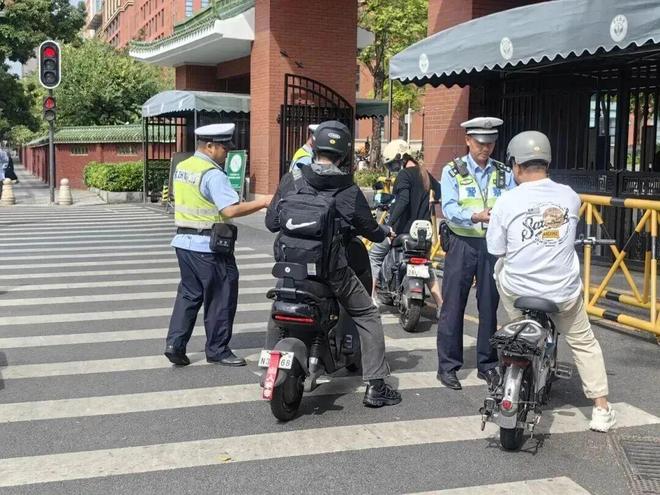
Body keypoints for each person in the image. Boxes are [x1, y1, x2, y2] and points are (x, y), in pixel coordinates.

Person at [487, 130, 616, 432]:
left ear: (516, 164)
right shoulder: (569, 196)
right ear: (547, 162)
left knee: (499, 268)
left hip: (518, 290)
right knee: (583, 341)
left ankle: (518, 326)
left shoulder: (506, 200)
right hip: (561, 293)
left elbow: (496, 248)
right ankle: (601, 409)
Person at [266, 120, 402, 408]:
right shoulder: (347, 189)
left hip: (291, 269)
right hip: (331, 272)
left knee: (279, 307)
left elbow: (271, 222)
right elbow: (369, 229)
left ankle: (269, 365)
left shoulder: (292, 180)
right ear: (343, 154)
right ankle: (376, 385)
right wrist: (384, 233)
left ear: (314, 147)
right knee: (368, 313)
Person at [165, 123, 272, 367]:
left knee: (189, 295)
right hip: (209, 247)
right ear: (210, 146)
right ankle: (218, 350)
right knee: (221, 297)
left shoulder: (184, 167)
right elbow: (229, 209)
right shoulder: (213, 174)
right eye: (224, 148)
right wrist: (264, 201)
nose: (227, 153)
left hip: (183, 243)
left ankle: (175, 345)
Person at [437, 117, 516, 391]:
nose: (485, 148)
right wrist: (475, 215)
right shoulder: (453, 171)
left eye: (490, 143)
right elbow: (448, 207)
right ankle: (448, 366)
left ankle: (487, 363)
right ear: (468, 140)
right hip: (462, 243)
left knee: (489, 306)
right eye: (481, 143)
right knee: (453, 305)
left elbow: (513, 202)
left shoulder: (503, 172)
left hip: (491, 246)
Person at [369, 139, 443, 317]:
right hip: (423, 234)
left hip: (402, 231)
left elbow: (403, 201)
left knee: (374, 256)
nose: (393, 168)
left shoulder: (404, 175)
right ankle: (441, 304)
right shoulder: (424, 173)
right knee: (427, 266)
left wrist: (389, 226)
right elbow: (439, 191)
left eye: (392, 164)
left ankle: (371, 298)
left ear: (400, 158)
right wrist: (429, 201)